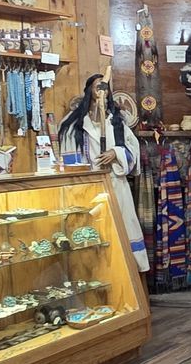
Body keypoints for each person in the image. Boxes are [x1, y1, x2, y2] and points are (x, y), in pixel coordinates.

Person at [59, 73, 147, 271]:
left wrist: (116, 153)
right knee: (92, 233)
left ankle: (126, 276)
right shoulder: (74, 125)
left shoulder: (116, 123)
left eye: (105, 88)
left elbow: (134, 151)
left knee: (122, 231)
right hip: (89, 189)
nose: (101, 91)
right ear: (89, 90)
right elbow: (67, 156)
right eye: (98, 87)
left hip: (116, 185)